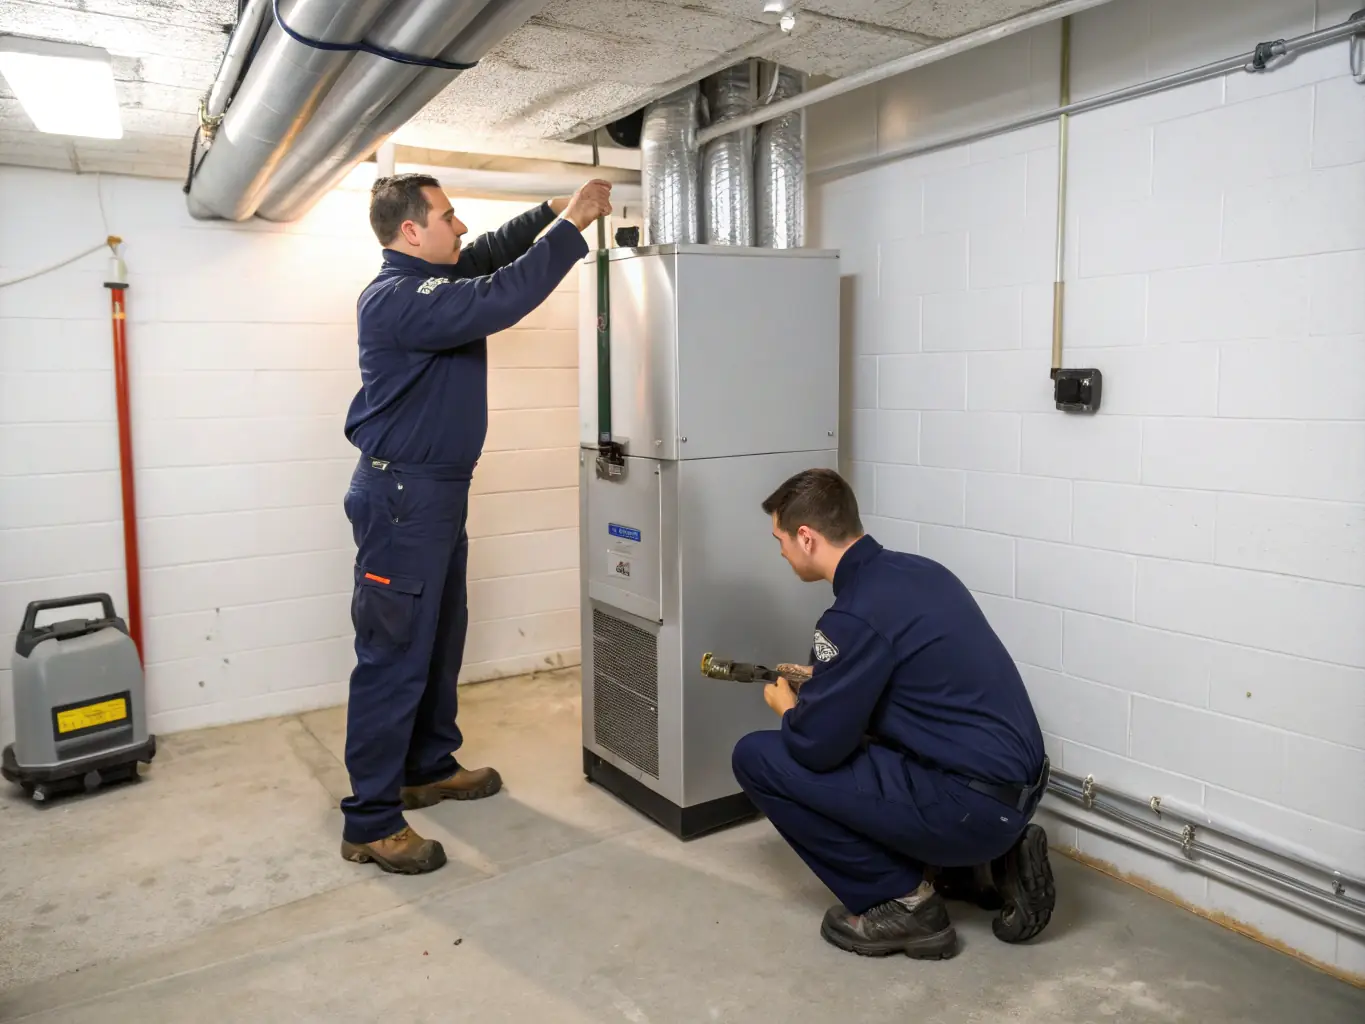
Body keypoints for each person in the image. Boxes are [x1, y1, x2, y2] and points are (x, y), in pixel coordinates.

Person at [338, 173, 612, 874]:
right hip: (404, 500)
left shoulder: (428, 284)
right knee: (393, 656)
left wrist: (545, 213)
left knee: (436, 639)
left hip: (431, 496)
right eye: (447, 216)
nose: (459, 228)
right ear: (410, 231)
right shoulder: (399, 300)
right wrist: (573, 225)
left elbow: (487, 256)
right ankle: (371, 819)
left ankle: (425, 765)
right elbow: (503, 293)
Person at [731, 467, 1054, 959]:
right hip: (1014, 793)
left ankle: (906, 904)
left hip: (971, 810)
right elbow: (919, 691)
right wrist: (829, 683)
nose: (780, 552)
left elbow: (815, 749)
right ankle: (987, 866)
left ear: (807, 537)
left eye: (781, 539)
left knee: (757, 756)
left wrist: (790, 708)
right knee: (867, 734)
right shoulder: (920, 572)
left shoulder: (851, 615)